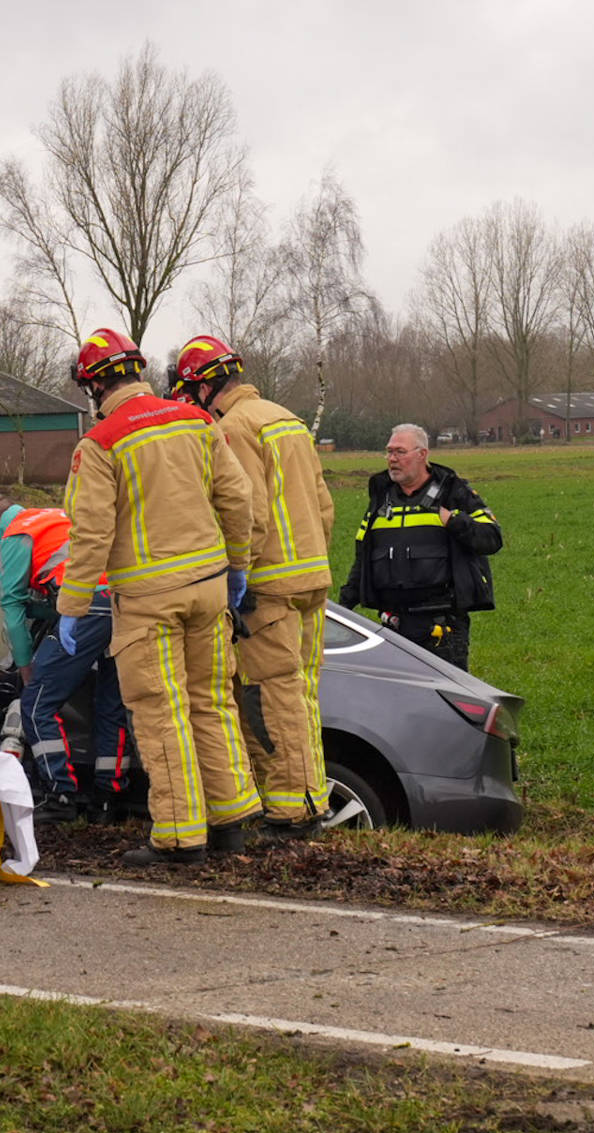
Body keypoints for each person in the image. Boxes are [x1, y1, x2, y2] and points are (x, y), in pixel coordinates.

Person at [58, 328, 259, 865]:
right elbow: (237, 499)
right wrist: (237, 567)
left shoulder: (100, 443)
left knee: (160, 713)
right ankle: (232, 820)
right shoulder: (196, 420)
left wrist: (72, 606)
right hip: (210, 590)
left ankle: (178, 837)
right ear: (138, 370)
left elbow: (90, 533)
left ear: (94, 385)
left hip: (149, 602)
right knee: (212, 703)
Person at [171, 336, 337, 837]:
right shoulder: (284, 417)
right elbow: (322, 502)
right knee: (302, 693)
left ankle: (289, 812)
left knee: (271, 696)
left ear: (202, 387)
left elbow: (248, 510)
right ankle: (311, 798)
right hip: (310, 575)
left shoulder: (234, 427)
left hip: (268, 585)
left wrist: (236, 572)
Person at [0, 495, 128, 824]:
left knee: (36, 704)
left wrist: (25, 667)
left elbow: (14, 610)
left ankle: (60, 793)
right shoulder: (57, 518)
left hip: (85, 608)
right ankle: (109, 797)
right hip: (122, 603)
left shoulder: (15, 533)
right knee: (110, 704)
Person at [339, 423, 501, 670]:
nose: (392, 459)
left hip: (441, 627)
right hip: (391, 625)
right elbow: (363, 557)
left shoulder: (452, 491)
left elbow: (491, 537)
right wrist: (341, 609)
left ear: (422, 455)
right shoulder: (381, 498)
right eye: (389, 452)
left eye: (400, 452)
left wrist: (454, 521)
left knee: (443, 703)